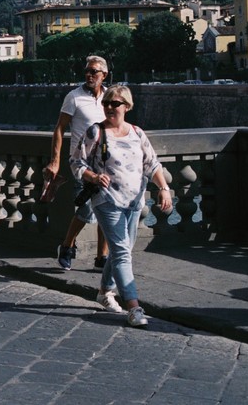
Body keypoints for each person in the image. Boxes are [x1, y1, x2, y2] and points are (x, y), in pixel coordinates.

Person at [70, 84, 172, 328]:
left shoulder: (137, 133)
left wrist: (163, 188)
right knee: (122, 252)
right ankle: (134, 307)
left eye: (114, 103)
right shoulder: (95, 132)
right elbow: (75, 162)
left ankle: (105, 292)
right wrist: (93, 177)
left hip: (135, 201)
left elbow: (152, 164)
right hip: (107, 200)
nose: (109, 107)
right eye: (106, 103)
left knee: (122, 250)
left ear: (127, 106)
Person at [44, 55, 111, 270]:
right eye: (87, 71)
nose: (89, 75)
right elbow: (59, 129)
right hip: (81, 162)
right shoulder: (74, 97)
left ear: (104, 75)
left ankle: (102, 257)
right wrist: (55, 161)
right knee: (86, 210)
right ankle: (66, 246)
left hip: (105, 161)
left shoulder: (110, 97)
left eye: (94, 72)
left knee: (106, 209)